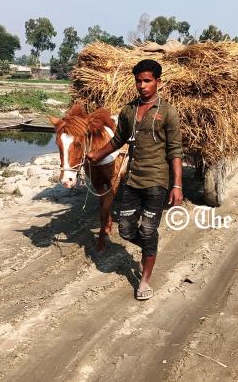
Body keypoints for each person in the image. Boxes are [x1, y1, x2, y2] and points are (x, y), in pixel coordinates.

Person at [86, 59, 183, 301]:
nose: (142, 85)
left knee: (149, 230)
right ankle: (150, 249)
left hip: (157, 182)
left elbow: (175, 151)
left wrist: (177, 185)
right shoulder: (128, 111)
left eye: (147, 80)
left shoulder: (168, 112)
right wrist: (97, 154)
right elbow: (118, 140)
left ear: (158, 82)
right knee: (126, 230)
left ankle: (144, 280)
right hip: (132, 179)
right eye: (139, 81)